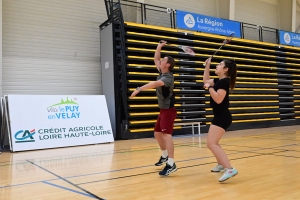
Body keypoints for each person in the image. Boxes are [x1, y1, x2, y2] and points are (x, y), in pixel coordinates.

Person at [130, 40, 177, 176]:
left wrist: (139, 88)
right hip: (163, 110)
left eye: (163, 60)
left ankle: (171, 163)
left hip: (168, 110)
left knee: (167, 136)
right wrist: (159, 46)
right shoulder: (162, 72)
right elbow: (156, 59)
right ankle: (164, 156)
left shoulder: (168, 78)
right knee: (157, 133)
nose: (160, 61)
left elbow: (155, 83)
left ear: (167, 65)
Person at [203, 57, 238, 182]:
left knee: (211, 143)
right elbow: (206, 80)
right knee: (214, 143)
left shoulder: (224, 82)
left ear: (225, 69)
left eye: (219, 64)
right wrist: (207, 66)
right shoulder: (220, 80)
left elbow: (218, 99)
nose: (216, 66)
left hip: (222, 117)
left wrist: (209, 88)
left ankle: (229, 168)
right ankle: (221, 164)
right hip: (220, 116)